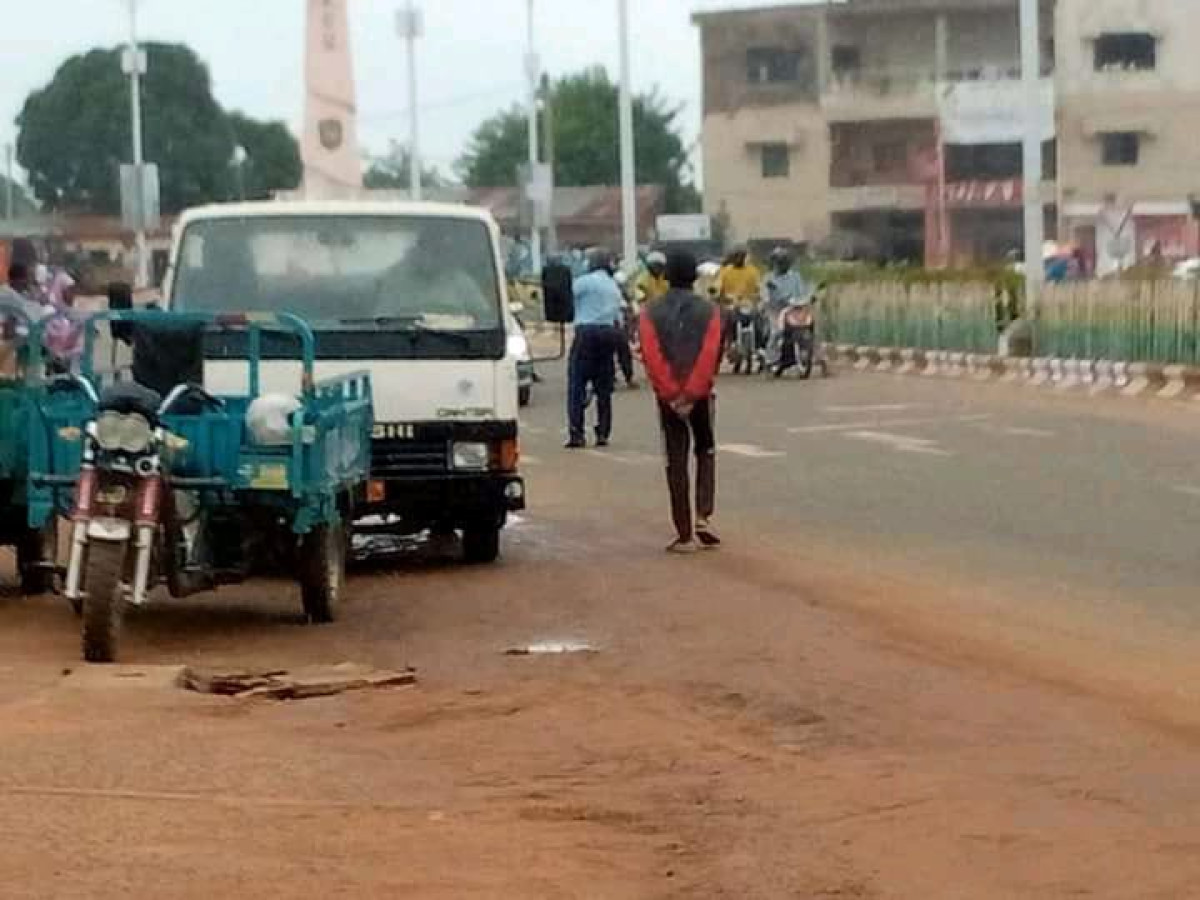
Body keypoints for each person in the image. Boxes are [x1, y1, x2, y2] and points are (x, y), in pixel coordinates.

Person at [639, 251, 724, 554]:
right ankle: (703, 515)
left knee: (675, 460)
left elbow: (651, 355)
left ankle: (684, 533)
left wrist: (672, 394)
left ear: (665, 276)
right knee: (706, 449)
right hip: (700, 395)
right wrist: (693, 391)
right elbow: (710, 354)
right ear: (695, 277)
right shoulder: (711, 311)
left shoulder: (649, 312)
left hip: (669, 399)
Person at [565, 247, 624, 449]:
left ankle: (577, 433)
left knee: (576, 384)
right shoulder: (613, 286)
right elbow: (618, 317)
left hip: (586, 333)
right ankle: (603, 433)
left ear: (591, 264)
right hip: (608, 334)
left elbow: (569, 298)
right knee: (604, 389)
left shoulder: (584, 282)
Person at [761, 247, 810, 369]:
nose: (783, 264)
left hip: (794, 309)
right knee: (777, 332)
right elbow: (765, 296)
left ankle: (818, 357)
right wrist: (770, 300)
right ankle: (771, 358)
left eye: (785, 261)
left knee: (809, 328)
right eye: (780, 262)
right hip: (776, 310)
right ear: (774, 263)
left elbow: (802, 291)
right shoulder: (769, 278)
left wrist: (808, 297)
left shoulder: (795, 276)